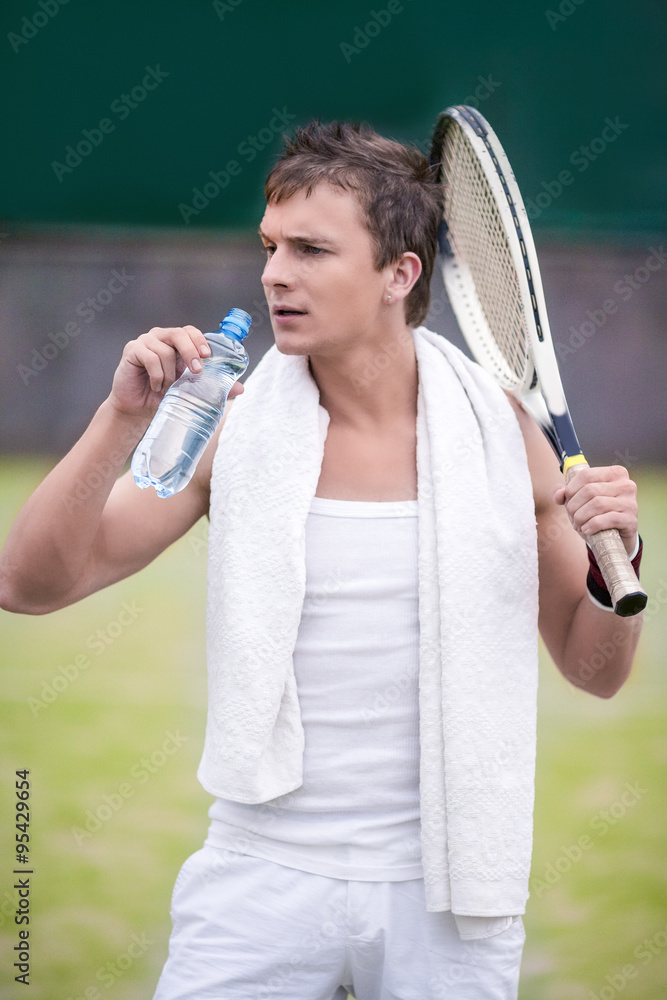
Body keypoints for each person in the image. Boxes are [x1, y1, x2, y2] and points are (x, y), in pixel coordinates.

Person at [0, 121, 643, 1000]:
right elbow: (28, 586)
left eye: (309, 250)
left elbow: (594, 670)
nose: (273, 274)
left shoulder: (503, 436)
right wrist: (119, 421)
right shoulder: (231, 424)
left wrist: (616, 574)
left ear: (398, 274)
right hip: (261, 875)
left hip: (453, 897)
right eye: (269, 247)